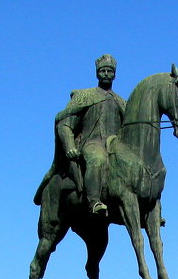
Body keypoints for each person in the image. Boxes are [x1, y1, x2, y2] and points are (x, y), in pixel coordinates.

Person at [54, 54, 126, 215]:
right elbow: (65, 124)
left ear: (115, 74)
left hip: (115, 145)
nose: (106, 74)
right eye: (103, 71)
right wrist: (69, 146)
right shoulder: (85, 96)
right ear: (97, 74)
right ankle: (94, 201)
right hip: (92, 142)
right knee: (97, 159)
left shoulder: (121, 101)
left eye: (110, 71)